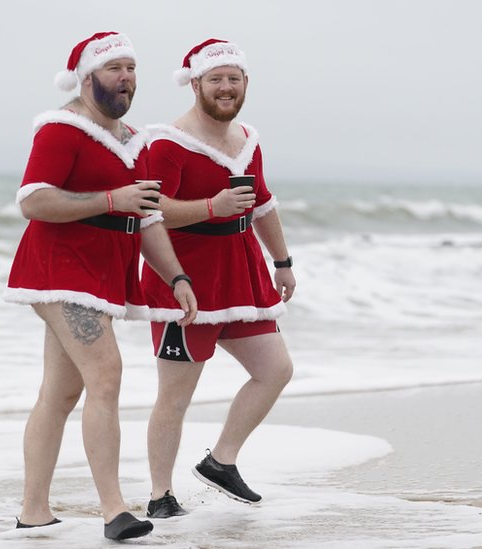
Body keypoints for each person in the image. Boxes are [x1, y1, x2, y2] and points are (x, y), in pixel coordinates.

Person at [3, 31, 197, 541]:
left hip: (104, 275)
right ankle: (114, 512)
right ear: (86, 77)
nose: (126, 78)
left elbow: (149, 217)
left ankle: (33, 511)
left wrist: (175, 276)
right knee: (106, 375)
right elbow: (34, 201)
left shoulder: (134, 139)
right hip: (58, 270)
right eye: (115, 68)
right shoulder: (61, 130)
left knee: (60, 393)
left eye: (132, 68)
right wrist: (111, 200)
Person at [140, 38, 296, 519]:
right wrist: (211, 208)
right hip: (184, 280)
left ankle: (220, 462)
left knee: (275, 371)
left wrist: (283, 261)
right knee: (175, 396)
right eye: (216, 79)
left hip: (242, 272)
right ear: (195, 84)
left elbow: (263, 203)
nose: (225, 87)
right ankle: (160, 495)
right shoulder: (167, 143)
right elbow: (151, 209)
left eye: (233, 79)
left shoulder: (247, 138)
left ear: (245, 83)